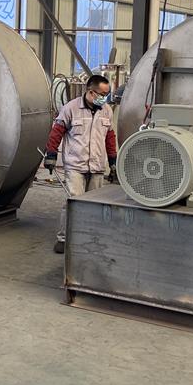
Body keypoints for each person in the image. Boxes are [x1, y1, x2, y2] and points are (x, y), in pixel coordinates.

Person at [44, 74, 117, 254]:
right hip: (75, 165)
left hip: (97, 165)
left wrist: (113, 161)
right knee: (74, 202)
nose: (105, 98)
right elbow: (57, 132)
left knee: (94, 204)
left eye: (107, 94)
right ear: (91, 92)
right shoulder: (71, 108)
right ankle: (64, 239)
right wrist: (51, 155)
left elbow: (109, 137)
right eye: (103, 94)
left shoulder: (107, 110)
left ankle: (89, 238)